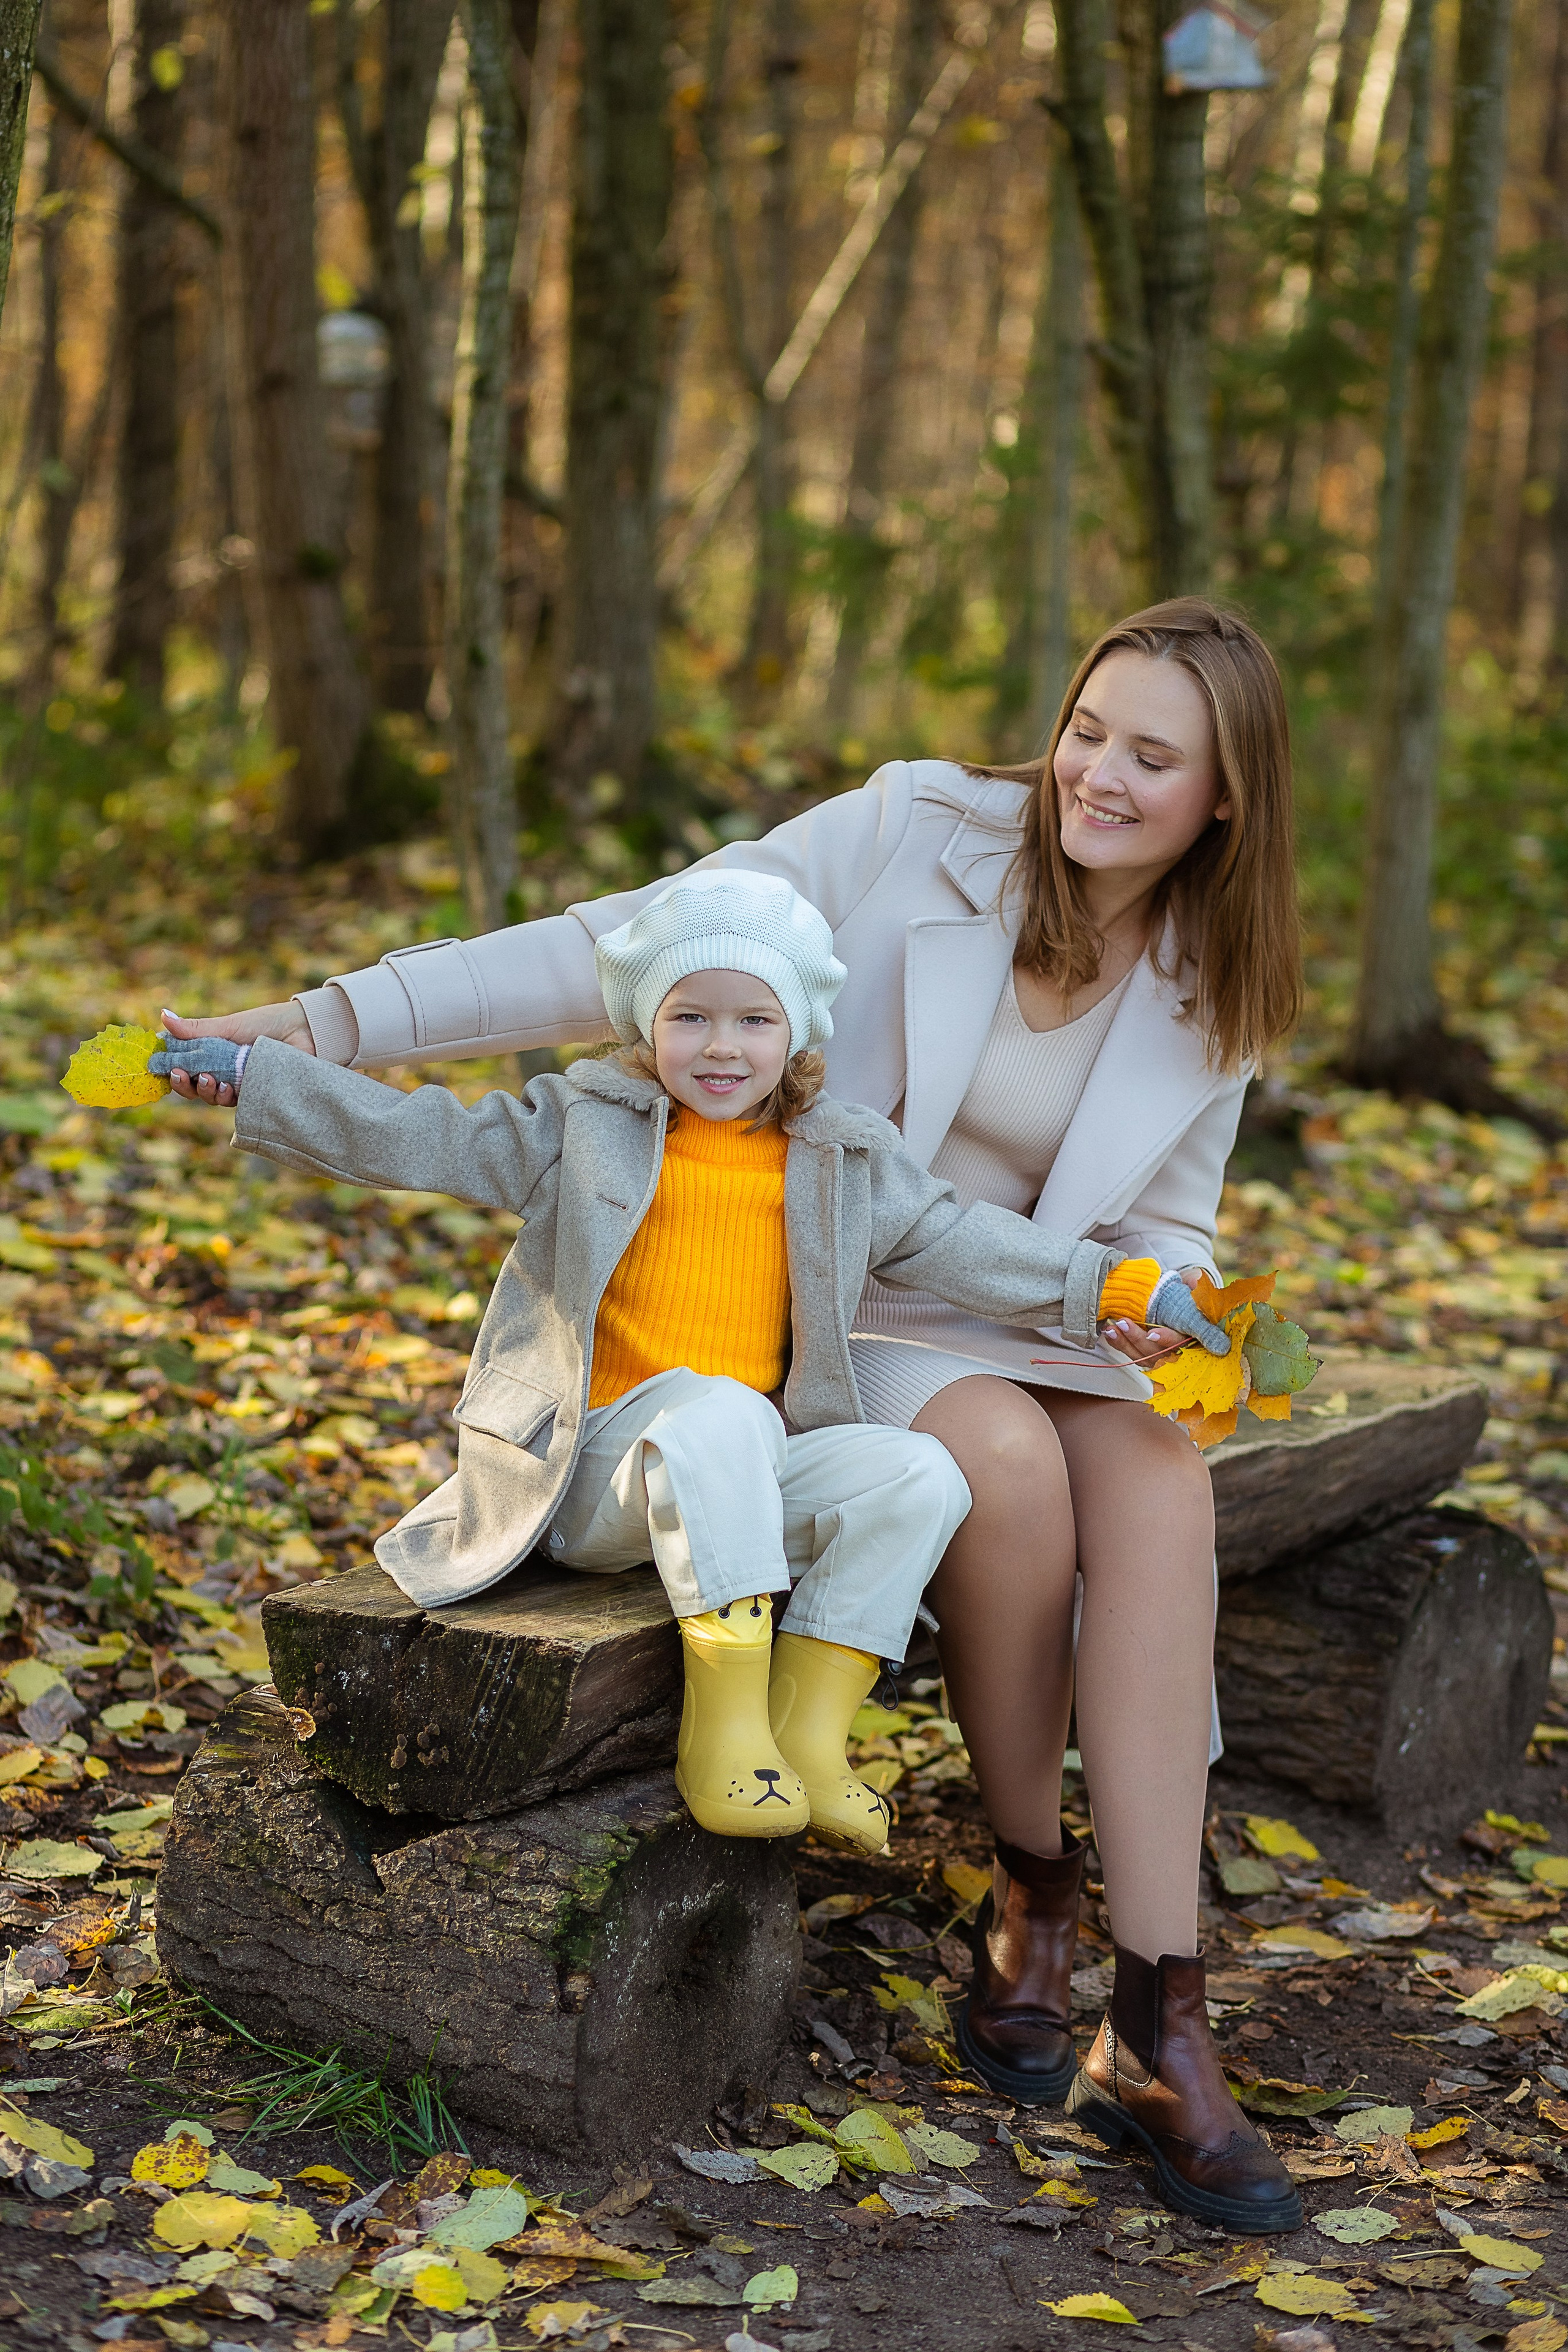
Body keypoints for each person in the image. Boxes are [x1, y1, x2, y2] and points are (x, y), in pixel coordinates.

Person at [164, 597, 1304, 2231]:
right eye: (1086, 730)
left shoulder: (1213, 980)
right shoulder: (916, 832)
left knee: (1160, 1488)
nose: (1097, 776)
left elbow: (1169, 1223)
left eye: (1152, 757)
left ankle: (1157, 2015)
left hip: (1041, 1305)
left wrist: (1165, 1302)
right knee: (998, 1464)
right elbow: (618, 942)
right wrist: (321, 1024)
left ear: (1225, 799)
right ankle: (1033, 1888)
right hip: (835, 1304)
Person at [154, 867, 1224, 1863]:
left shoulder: (837, 1157)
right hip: (591, 1472)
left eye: (754, 1020)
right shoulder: (582, 1129)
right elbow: (412, 1132)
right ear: (647, 1026)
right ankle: (728, 1725)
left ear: (796, 1033)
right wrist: (261, 1078)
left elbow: (966, 1240)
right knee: (720, 1409)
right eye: (690, 1017)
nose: (722, 1048)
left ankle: (808, 1732)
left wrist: (1125, 1290)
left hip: (732, 1475)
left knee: (918, 1473)